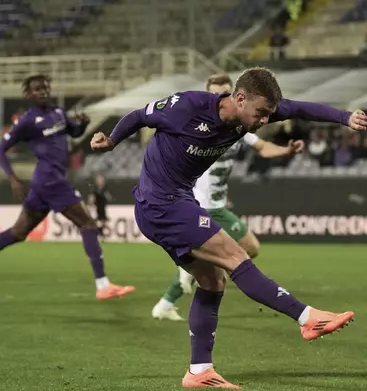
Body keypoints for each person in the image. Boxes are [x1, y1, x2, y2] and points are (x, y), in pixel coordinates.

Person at [90, 67, 367, 389]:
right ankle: (307, 318)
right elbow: (140, 116)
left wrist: (346, 117)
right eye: (261, 113)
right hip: (160, 203)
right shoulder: (187, 107)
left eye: (268, 114)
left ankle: (199, 371)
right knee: (235, 254)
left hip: (178, 200)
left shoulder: (249, 115)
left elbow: (301, 108)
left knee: (213, 281)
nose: (265, 121)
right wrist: (111, 140)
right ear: (239, 98)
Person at [152, 73, 306, 321]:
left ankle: (171, 296)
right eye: (215, 92)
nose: (221, 96)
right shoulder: (200, 123)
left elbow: (262, 147)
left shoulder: (239, 125)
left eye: (226, 91)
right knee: (247, 248)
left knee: (230, 256)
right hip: (203, 205)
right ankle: (180, 283)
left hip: (217, 203)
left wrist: (286, 150)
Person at [0, 74, 135, 301]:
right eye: (36, 89)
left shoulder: (58, 113)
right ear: (28, 94)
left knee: (18, 232)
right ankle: (103, 285)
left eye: (44, 87)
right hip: (50, 180)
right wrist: (13, 178)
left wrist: (82, 124)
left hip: (45, 183)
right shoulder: (27, 121)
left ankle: (103, 285)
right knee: (88, 224)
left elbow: (74, 133)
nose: (42, 91)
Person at [87, 173, 112, 239]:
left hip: (103, 209)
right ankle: (98, 234)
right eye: (98, 179)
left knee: (102, 222)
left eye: (101, 179)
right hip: (97, 209)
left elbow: (109, 198)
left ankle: (100, 234)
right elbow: (91, 198)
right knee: (98, 222)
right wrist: (91, 203)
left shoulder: (105, 188)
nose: (100, 181)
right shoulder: (94, 189)